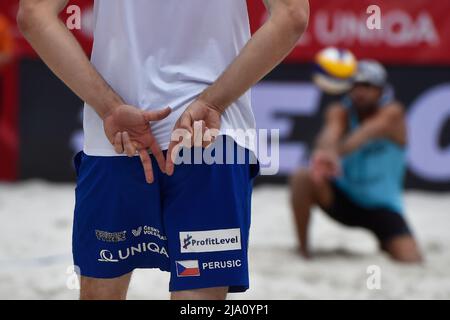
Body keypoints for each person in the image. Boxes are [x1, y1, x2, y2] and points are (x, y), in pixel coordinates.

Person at [18, 0, 310, 300]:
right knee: (198, 301)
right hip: (209, 135)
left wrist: (107, 107)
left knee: (100, 295)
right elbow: (292, 16)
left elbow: (33, 15)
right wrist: (213, 102)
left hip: (119, 137)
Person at [290, 60, 422, 263]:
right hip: (345, 198)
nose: (360, 92)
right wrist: (326, 152)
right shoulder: (339, 111)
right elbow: (330, 134)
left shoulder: (392, 113)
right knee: (302, 177)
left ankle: (385, 243)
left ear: (380, 90)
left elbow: (366, 133)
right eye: (355, 85)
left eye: (367, 86)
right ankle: (303, 251)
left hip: (383, 207)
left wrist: (335, 154)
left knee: (412, 261)